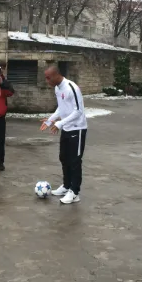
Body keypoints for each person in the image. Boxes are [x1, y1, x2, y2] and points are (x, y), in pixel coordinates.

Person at [39, 66, 88, 205]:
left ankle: (74, 192)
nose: (47, 81)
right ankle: (66, 186)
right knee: (64, 158)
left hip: (77, 129)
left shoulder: (71, 88)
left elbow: (78, 111)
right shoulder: (57, 88)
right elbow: (61, 108)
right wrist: (51, 120)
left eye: (48, 78)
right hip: (66, 128)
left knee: (75, 161)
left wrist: (60, 123)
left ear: (56, 75)